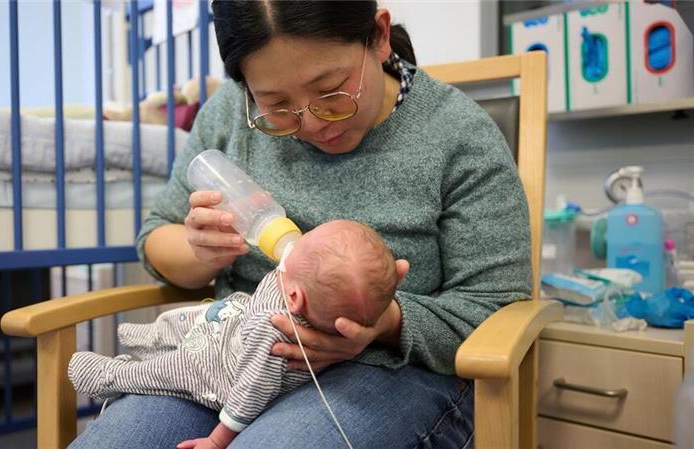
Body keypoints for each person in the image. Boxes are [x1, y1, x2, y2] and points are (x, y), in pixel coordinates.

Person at [69, 1, 532, 448]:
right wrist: (201, 250)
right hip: (229, 359)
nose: (311, 123)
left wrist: (384, 321)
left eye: (330, 91)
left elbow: (493, 306)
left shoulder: (457, 137)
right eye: (277, 106)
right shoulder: (231, 114)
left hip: (393, 370)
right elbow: (157, 237)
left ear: (379, 36)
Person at [68, 220, 401, 449]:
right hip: (231, 321)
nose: (297, 239)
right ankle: (150, 338)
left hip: (217, 372)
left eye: (304, 245)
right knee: (185, 321)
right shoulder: (305, 290)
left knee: (168, 370)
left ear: (296, 299)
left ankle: (114, 375)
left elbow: (250, 393)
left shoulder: (273, 337)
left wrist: (218, 440)